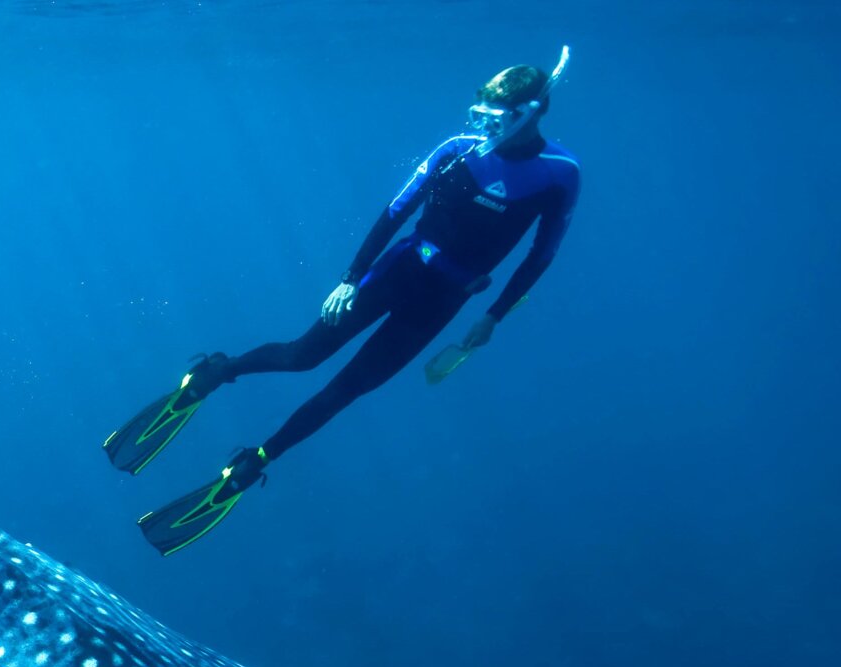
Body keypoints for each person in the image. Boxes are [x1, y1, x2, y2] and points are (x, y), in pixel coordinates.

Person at [106, 49, 580, 556]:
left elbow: (541, 256)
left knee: (349, 388)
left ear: (529, 113)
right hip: (396, 271)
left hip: (444, 299)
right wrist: (350, 278)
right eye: (479, 114)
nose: (483, 126)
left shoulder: (559, 174)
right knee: (301, 356)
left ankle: (254, 462)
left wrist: (492, 316)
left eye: (496, 117)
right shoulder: (457, 150)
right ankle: (219, 372)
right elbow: (396, 210)